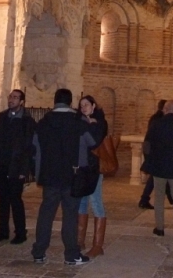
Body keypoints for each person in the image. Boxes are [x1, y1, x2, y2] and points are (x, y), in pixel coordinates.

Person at [30, 88, 95, 266]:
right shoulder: (78, 121)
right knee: (70, 215)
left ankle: (38, 252)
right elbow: (92, 142)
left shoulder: (43, 122)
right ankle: (71, 255)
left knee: (46, 213)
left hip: (49, 175)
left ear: (55, 101)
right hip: (71, 176)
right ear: (70, 102)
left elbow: (35, 146)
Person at [0, 89, 36, 245]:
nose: (11, 99)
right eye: (10, 97)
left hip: (16, 167)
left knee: (16, 199)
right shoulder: (3, 118)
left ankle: (21, 232)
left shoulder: (28, 122)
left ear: (21, 101)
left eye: (15, 97)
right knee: (2, 199)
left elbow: (29, 148)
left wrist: (24, 170)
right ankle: (3, 231)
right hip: (1, 165)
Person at [141, 100, 173, 239]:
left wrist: (148, 161)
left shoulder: (156, 125)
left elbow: (146, 145)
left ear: (165, 109)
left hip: (159, 167)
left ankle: (160, 228)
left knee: (159, 197)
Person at [77, 95, 107, 258]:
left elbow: (94, 142)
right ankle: (80, 240)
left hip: (95, 168)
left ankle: (98, 245)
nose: (84, 107)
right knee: (81, 202)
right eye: (81, 105)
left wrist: (90, 126)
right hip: (82, 167)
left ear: (94, 106)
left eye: (87, 104)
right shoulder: (80, 121)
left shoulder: (100, 122)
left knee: (95, 202)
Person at [138, 99, 173, 209]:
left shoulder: (154, 118)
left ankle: (170, 198)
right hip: (159, 154)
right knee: (159, 177)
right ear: (164, 109)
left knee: (158, 177)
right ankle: (145, 199)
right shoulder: (160, 120)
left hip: (154, 153)